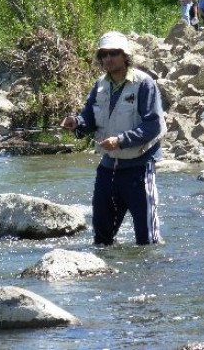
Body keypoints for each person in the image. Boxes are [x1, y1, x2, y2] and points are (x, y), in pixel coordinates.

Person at [60, 31, 167, 246]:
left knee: (147, 241)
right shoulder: (100, 85)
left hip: (139, 169)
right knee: (101, 239)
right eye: (104, 54)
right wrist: (77, 123)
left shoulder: (144, 84)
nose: (108, 58)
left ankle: (149, 277)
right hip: (108, 169)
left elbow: (153, 126)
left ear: (125, 55)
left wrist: (120, 140)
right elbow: (89, 117)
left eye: (114, 53)